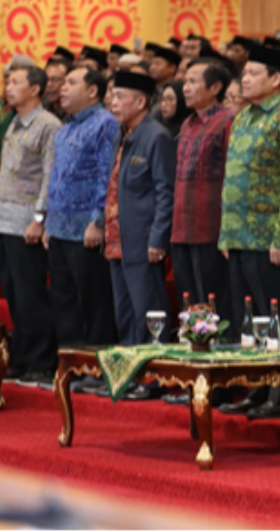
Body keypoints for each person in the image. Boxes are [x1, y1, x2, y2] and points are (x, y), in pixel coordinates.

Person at [212, 44, 280, 417]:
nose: (244, 79)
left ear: (276, 79)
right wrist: (226, 233)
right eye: (244, 73)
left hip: (268, 238)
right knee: (250, 318)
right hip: (238, 237)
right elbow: (231, 178)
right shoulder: (244, 117)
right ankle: (259, 384)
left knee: (279, 315)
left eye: (253, 74)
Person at [45, 67, 121, 392]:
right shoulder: (64, 129)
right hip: (59, 227)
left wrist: (97, 220)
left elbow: (106, 174)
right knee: (64, 301)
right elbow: (55, 177)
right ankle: (71, 367)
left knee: (94, 302)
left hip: (87, 228)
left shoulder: (105, 123)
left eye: (71, 82)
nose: (62, 88)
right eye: (63, 82)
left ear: (92, 91)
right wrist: (47, 221)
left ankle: (98, 368)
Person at [0, 65, 62, 387]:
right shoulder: (14, 122)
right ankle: (20, 357)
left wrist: (39, 218)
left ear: (35, 89)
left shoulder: (48, 125)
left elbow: (50, 175)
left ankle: (41, 362)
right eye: (8, 81)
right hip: (3, 221)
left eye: (16, 82)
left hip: (26, 222)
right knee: (14, 294)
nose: (8, 87)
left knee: (31, 294)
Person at [102, 72, 176, 366]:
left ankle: (153, 374)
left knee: (148, 310)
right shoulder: (121, 135)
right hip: (116, 239)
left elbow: (165, 192)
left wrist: (158, 238)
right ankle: (129, 372)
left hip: (142, 240)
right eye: (112, 96)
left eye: (120, 97)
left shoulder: (156, 136)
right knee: (125, 312)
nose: (113, 102)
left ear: (141, 102)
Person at [172, 58, 238, 335]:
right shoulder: (187, 124)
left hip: (210, 229)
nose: (185, 87)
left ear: (215, 87)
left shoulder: (227, 121)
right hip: (181, 228)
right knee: (188, 302)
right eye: (185, 81)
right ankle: (194, 350)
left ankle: (220, 352)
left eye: (193, 81)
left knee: (214, 302)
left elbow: (233, 178)